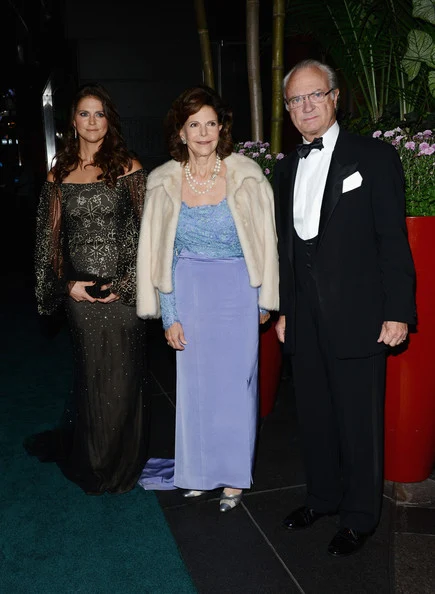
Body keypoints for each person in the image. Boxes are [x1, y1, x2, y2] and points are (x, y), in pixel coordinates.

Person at [274, 59, 416, 556]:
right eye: (295, 99)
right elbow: (286, 248)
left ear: (335, 97)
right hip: (305, 316)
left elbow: (393, 242)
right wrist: (286, 310)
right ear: (288, 109)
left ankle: (359, 516)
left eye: (314, 95)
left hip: (359, 312)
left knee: (359, 422)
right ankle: (322, 496)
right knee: (313, 415)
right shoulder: (285, 167)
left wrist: (398, 311)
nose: (305, 106)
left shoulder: (374, 158)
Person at [136, 85, 279, 511]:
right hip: (189, 291)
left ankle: (234, 476)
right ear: (180, 132)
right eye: (193, 124)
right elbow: (159, 254)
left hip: (238, 290)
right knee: (196, 389)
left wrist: (262, 302)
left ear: (222, 128)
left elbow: (266, 243)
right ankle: (197, 472)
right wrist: (169, 315)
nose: (203, 132)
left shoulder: (247, 175)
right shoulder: (162, 181)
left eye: (210, 123)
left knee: (237, 387)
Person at [26, 83, 149, 495]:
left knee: (125, 378)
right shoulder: (57, 175)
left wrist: (128, 283)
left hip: (123, 293)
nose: (92, 121)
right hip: (82, 294)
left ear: (108, 120)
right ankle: (96, 462)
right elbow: (48, 241)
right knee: (93, 378)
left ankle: (123, 461)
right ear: (73, 122)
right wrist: (66, 286)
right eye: (84, 113)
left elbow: (146, 234)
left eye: (99, 113)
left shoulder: (130, 168)